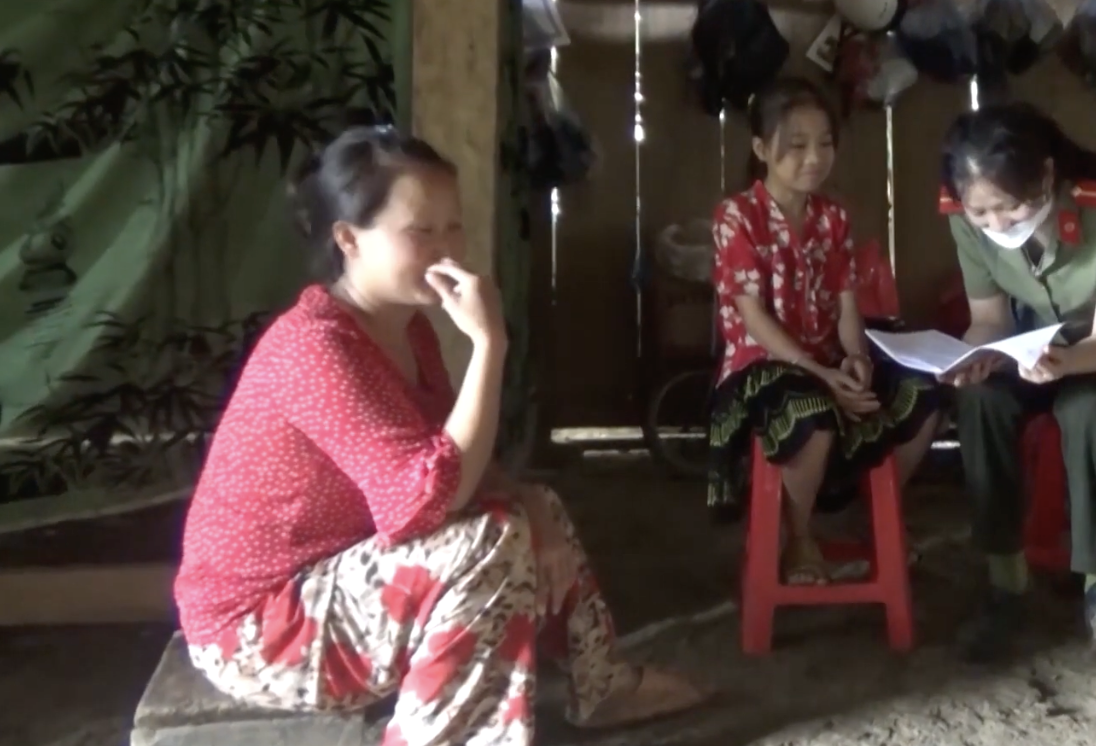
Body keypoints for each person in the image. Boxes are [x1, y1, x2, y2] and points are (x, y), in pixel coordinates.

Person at [174, 126, 706, 746]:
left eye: (453, 227)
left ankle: (601, 685)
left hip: (337, 578)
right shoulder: (317, 345)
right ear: (349, 240)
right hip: (258, 630)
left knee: (535, 507)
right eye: (420, 231)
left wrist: (531, 502)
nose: (446, 248)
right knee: (487, 542)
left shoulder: (407, 329)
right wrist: (489, 344)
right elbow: (427, 502)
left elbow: (455, 457)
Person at [937, 102, 1096, 659]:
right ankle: (1006, 581)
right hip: (1033, 346)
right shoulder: (963, 214)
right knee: (979, 399)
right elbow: (990, 321)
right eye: (982, 214)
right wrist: (974, 357)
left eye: (1011, 206)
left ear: (1046, 175)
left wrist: (1061, 365)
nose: (997, 225)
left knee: (1088, 404)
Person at [707, 77, 946, 585]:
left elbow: (846, 302)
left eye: (824, 143)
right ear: (761, 149)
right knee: (809, 409)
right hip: (762, 364)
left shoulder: (832, 217)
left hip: (828, 356)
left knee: (923, 393)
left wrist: (855, 359)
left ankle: (874, 514)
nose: (814, 158)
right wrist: (820, 373)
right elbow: (752, 317)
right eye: (796, 146)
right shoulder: (737, 216)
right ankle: (799, 537)